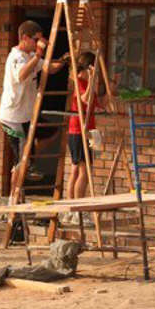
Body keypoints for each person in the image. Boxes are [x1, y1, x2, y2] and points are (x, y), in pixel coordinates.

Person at [0, 20, 68, 205]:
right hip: (13, 117)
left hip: (26, 116)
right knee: (21, 160)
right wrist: (38, 54)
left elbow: (48, 67)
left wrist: (63, 60)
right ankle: (14, 199)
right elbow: (21, 75)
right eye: (36, 40)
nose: (39, 43)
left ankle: (28, 161)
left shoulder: (30, 56)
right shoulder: (15, 57)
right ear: (25, 38)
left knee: (51, 133)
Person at [62, 52, 101, 226]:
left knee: (76, 170)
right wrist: (92, 79)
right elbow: (84, 100)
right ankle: (77, 210)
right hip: (79, 130)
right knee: (83, 172)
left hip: (86, 129)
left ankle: (71, 210)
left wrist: (109, 86)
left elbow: (98, 103)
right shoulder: (79, 81)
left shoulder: (87, 82)